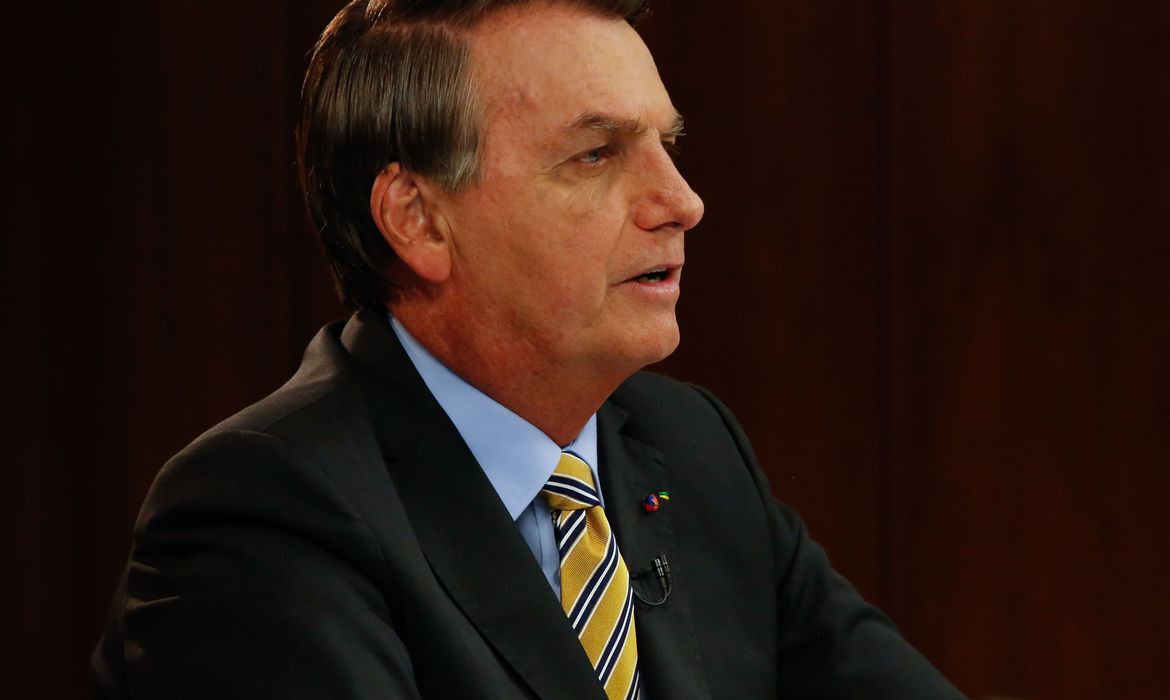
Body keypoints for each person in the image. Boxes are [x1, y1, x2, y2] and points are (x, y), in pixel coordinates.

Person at [93, 1, 966, 698]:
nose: (682, 201)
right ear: (418, 219)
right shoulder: (263, 513)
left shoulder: (692, 449)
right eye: (595, 155)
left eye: (667, 145)